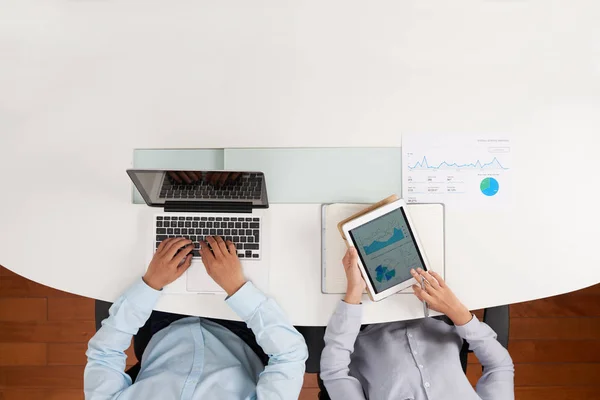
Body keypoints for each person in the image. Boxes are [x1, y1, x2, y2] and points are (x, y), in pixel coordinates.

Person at [84, 236, 308, 399]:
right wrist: (238, 289)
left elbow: (104, 354)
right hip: (243, 328)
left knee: (152, 218)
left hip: (162, 321)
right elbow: (289, 356)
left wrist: (151, 284)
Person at [320, 248, 514, 400]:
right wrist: (456, 311)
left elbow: (334, 373)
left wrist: (354, 292)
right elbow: (500, 366)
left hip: (364, 313)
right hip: (435, 305)